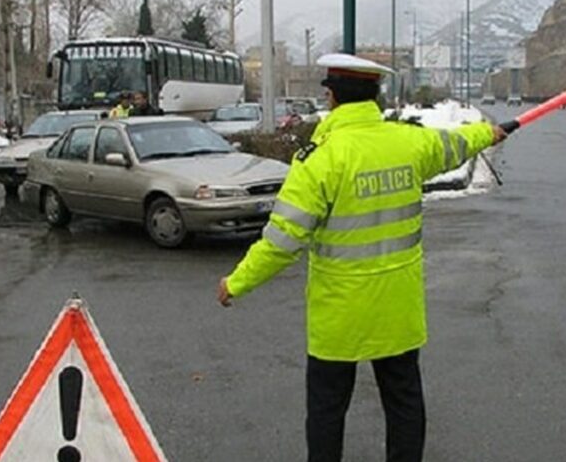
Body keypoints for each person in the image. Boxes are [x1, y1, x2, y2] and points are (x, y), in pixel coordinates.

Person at [215, 53, 507, 462]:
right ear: (374, 96)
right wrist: (488, 132)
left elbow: (282, 241)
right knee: (404, 403)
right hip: (397, 310)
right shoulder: (409, 143)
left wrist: (237, 282)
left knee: (327, 410)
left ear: (332, 98)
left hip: (340, 317)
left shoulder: (320, 160)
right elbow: (456, 144)